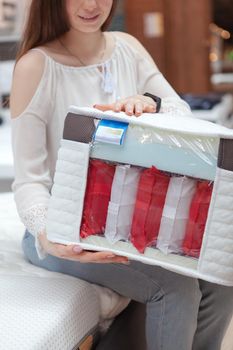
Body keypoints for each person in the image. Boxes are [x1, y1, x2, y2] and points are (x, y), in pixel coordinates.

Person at [10, 1, 233, 349]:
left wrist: (149, 104)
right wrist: (50, 237)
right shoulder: (34, 67)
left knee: (220, 276)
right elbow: (29, 181)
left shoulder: (127, 47)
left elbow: (180, 112)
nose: (91, 5)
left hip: (132, 220)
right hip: (64, 228)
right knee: (174, 287)